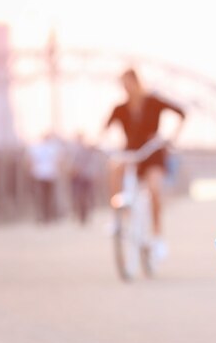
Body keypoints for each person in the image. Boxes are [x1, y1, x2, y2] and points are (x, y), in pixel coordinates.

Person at [101, 68, 186, 261]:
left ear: (136, 82)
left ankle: (157, 236)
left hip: (152, 154)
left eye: (128, 83)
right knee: (114, 168)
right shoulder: (120, 108)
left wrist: (172, 138)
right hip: (131, 153)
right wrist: (101, 141)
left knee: (154, 189)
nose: (126, 88)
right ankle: (119, 218)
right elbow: (105, 128)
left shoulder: (153, 102)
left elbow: (181, 113)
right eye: (122, 85)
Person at [26, 132, 64, 223]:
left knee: (41, 197)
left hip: (39, 175)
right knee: (48, 197)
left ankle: (43, 216)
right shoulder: (53, 148)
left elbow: (29, 161)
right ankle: (47, 216)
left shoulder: (35, 148)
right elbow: (59, 161)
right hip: (49, 175)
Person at [68, 132, 98, 225]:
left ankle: (84, 215)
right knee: (83, 197)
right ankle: (83, 215)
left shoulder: (79, 150)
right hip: (83, 177)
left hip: (83, 177)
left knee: (83, 197)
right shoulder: (81, 150)